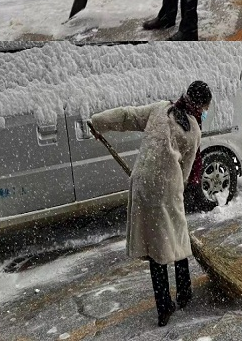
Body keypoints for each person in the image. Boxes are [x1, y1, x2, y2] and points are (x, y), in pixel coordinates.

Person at [89, 81, 213, 327]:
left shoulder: (159, 109)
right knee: (178, 240)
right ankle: (184, 293)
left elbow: (127, 115)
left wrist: (98, 122)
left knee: (156, 248)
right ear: (200, 106)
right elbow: (186, 172)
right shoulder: (194, 131)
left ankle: (163, 307)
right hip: (166, 189)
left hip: (141, 184)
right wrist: (179, 183)